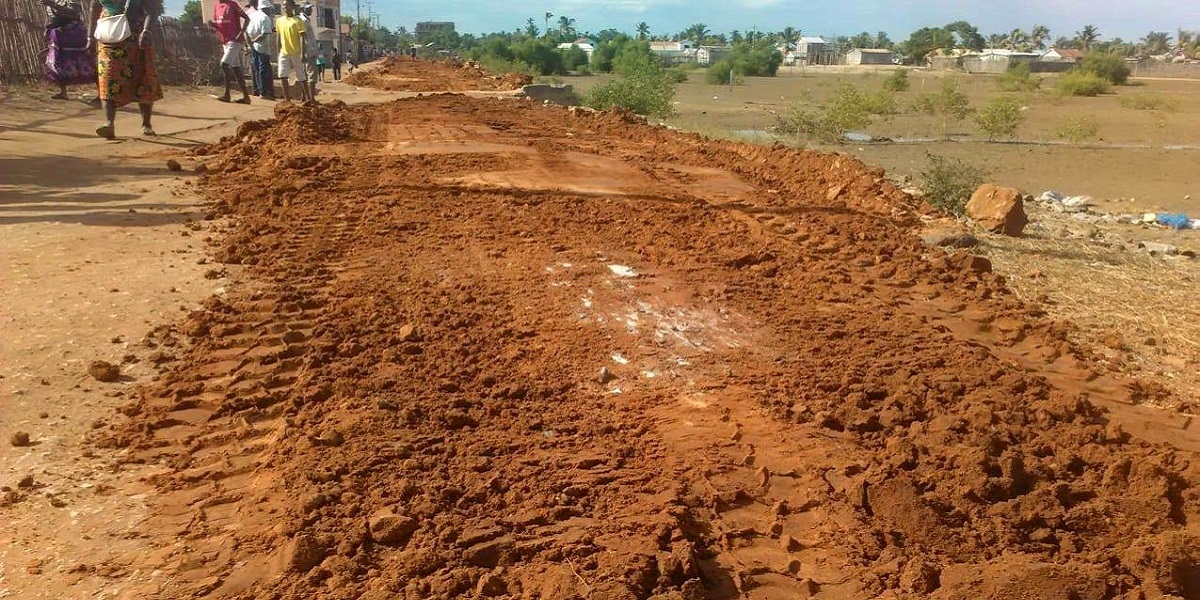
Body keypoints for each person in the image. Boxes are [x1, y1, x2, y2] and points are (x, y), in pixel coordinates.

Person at [86, 0, 163, 139]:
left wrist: (146, 31)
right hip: (108, 37)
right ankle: (109, 123)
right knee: (107, 78)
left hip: (136, 38)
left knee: (142, 78)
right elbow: (94, 8)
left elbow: (152, 9)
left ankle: (146, 124)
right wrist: (89, 37)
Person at [41, 0, 96, 101]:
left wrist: (53, 5)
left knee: (86, 62)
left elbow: (74, 14)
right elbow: (53, 18)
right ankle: (63, 92)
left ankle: (101, 93)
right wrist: (48, 28)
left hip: (74, 34)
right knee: (58, 62)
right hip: (59, 35)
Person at [208, 0, 251, 104]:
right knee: (236, 69)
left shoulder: (232, 5)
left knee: (224, 64)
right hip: (225, 41)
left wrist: (242, 32)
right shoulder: (217, 6)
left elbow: (247, 18)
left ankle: (227, 94)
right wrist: (213, 25)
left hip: (234, 40)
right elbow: (221, 25)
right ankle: (246, 97)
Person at [274, 0, 310, 103]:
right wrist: (278, 53)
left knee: (301, 76)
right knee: (282, 75)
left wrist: (303, 53)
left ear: (293, 6)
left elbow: (303, 37)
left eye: (287, 5)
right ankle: (287, 100)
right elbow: (278, 37)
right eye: (284, 5)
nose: (285, 7)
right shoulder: (279, 21)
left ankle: (308, 99)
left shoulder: (298, 20)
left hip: (296, 52)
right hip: (284, 53)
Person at [244, 0, 274, 100]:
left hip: (253, 48)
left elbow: (246, 32)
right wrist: (254, 41)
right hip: (263, 47)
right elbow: (264, 34)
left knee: (256, 69)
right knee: (263, 69)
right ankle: (263, 92)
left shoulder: (252, 16)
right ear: (266, 9)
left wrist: (250, 44)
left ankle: (257, 91)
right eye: (269, 9)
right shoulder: (266, 18)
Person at [297, 2, 318, 99]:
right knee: (311, 75)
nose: (311, 10)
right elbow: (302, 37)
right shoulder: (303, 20)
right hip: (307, 51)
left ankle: (304, 97)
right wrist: (303, 53)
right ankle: (311, 98)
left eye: (310, 8)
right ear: (302, 9)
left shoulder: (305, 19)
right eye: (308, 8)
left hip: (307, 50)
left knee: (304, 75)